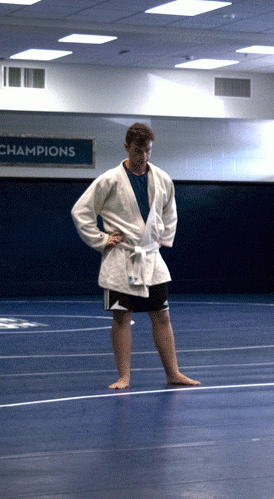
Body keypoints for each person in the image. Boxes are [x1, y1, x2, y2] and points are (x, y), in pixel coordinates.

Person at [70, 123, 199, 390]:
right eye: (139, 151)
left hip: (150, 258)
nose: (144, 157)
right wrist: (102, 240)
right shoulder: (109, 179)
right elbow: (80, 212)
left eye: (148, 151)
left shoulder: (162, 178)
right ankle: (124, 376)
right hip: (121, 257)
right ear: (127, 147)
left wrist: (161, 240)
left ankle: (173, 373)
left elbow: (169, 212)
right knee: (122, 317)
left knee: (162, 316)